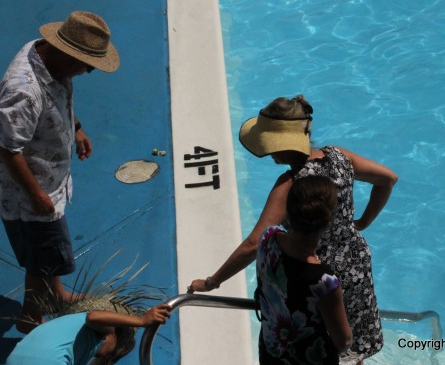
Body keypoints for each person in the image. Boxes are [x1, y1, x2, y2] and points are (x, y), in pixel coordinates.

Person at [189, 95, 398, 363]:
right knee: (347, 345)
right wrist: (362, 223)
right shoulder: (340, 157)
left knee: (316, 345)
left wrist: (212, 281)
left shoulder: (291, 184)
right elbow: (388, 179)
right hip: (354, 266)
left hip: (312, 277)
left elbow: (254, 244)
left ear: (279, 146)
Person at [0, 11, 120, 332]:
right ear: (66, 52)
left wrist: (75, 126)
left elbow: (57, 96)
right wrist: (36, 195)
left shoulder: (47, 56)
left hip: (47, 181)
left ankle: (56, 296)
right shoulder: (23, 91)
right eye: (87, 64)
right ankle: (31, 319)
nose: (89, 70)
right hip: (29, 197)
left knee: (47, 257)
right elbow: (7, 149)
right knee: (42, 260)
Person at [256, 175, 352, 364]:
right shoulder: (325, 282)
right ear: (329, 221)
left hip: (272, 353)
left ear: (289, 210)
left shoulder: (268, 238)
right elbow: (344, 341)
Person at [6, 302, 171, 364]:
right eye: (108, 354)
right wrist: (141, 321)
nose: (99, 355)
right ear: (112, 332)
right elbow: (94, 317)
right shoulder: (102, 329)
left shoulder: (62, 327)